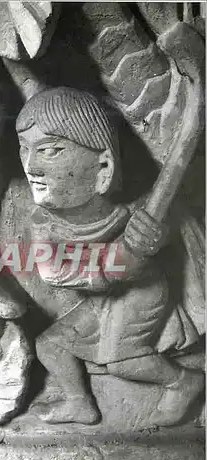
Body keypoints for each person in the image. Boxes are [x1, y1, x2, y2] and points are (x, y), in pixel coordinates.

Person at [16, 86, 204, 426]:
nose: (31, 166)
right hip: (106, 290)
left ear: (103, 164)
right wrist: (116, 260)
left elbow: (164, 233)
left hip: (142, 291)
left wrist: (154, 238)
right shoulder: (42, 223)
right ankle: (79, 403)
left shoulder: (133, 210)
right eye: (24, 149)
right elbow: (52, 272)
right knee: (50, 344)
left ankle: (183, 381)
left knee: (123, 358)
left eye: (51, 150)